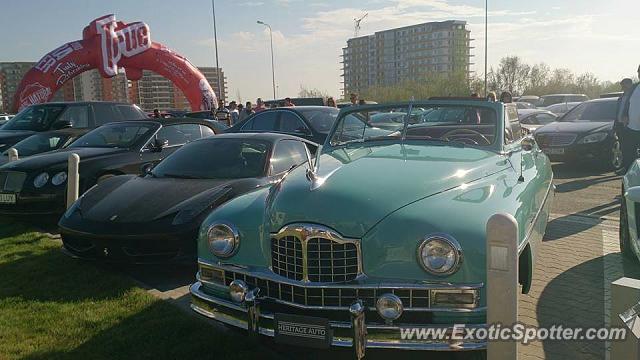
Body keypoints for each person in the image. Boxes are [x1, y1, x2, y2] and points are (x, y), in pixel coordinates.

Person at [623, 66, 640, 172]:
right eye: (639, 72)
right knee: (629, 153)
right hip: (631, 127)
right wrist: (625, 115)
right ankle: (631, 172)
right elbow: (627, 103)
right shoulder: (634, 87)